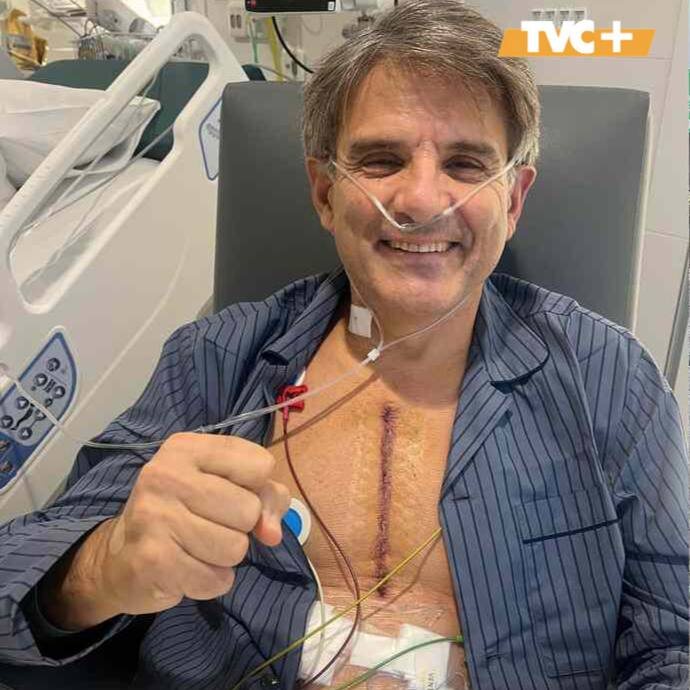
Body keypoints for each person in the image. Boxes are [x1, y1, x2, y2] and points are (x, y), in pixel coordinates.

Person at [0, 2, 687, 689]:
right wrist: (105, 565)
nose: (422, 200)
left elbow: (675, 643)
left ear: (512, 202)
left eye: (465, 163)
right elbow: (14, 577)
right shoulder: (214, 361)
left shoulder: (608, 380)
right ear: (326, 193)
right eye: (382, 159)